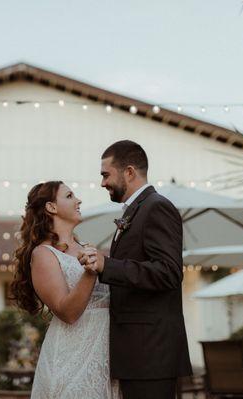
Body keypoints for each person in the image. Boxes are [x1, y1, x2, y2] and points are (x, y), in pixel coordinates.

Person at [79, 140, 192, 399]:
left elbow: (169, 272)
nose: (102, 183)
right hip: (137, 354)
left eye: (106, 174)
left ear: (129, 172)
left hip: (150, 354)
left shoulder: (156, 207)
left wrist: (107, 264)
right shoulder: (138, 210)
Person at [11, 180, 121, 399]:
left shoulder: (86, 250)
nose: (78, 200)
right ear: (51, 207)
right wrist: (90, 272)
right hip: (72, 357)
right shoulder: (43, 254)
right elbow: (67, 312)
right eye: (70, 196)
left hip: (105, 355)